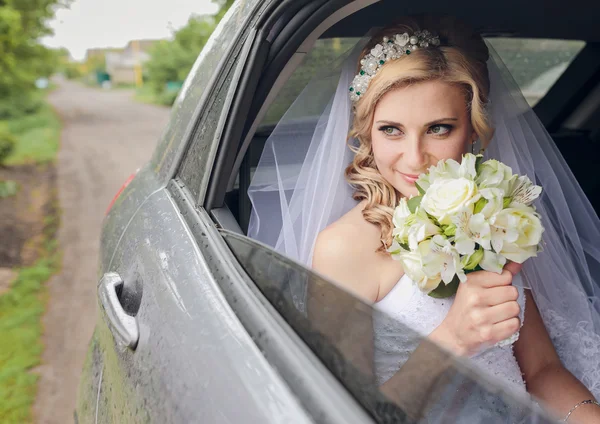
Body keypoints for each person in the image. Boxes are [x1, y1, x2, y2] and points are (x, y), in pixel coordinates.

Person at [248, 15, 600, 423]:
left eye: (438, 128)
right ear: (367, 133)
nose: (415, 159)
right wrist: (452, 340)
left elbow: (541, 371)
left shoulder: (491, 217)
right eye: (392, 130)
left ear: (472, 130)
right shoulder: (344, 248)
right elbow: (347, 411)